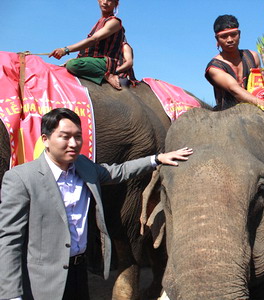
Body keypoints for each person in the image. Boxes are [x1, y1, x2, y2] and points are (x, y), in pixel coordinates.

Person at [0, 108, 193, 300]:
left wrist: (156, 159)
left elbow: (119, 171)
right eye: (65, 137)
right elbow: (9, 240)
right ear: (45, 140)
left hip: (79, 272)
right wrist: (11, 295)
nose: (73, 144)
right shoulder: (21, 178)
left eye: (78, 137)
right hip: (41, 282)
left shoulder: (83, 166)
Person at [205, 14, 264, 114]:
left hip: (257, 113)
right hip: (227, 118)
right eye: (224, 36)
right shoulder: (214, 68)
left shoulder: (253, 57)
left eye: (233, 34)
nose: (230, 40)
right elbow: (234, 89)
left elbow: (263, 85)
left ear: (239, 34)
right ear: (217, 39)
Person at [49, 0, 127, 90]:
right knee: (67, 65)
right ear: (98, 1)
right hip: (95, 60)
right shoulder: (100, 22)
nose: (105, 2)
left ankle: (106, 75)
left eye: (109, 0)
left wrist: (65, 50)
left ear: (115, 4)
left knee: (72, 65)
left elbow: (93, 39)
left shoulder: (114, 22)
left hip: (105, 62)